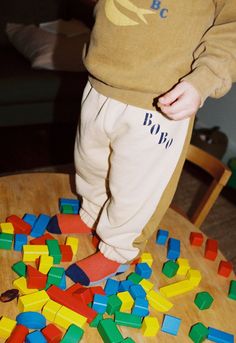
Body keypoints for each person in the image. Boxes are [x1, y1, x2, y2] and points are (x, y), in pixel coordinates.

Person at [47, 0, 236, 286]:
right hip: (101, 82)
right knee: (90, 163)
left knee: (136, 187)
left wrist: (205, 79)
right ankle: (92, 214)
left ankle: (118, 250)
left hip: (159, 101)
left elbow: (231, 26)